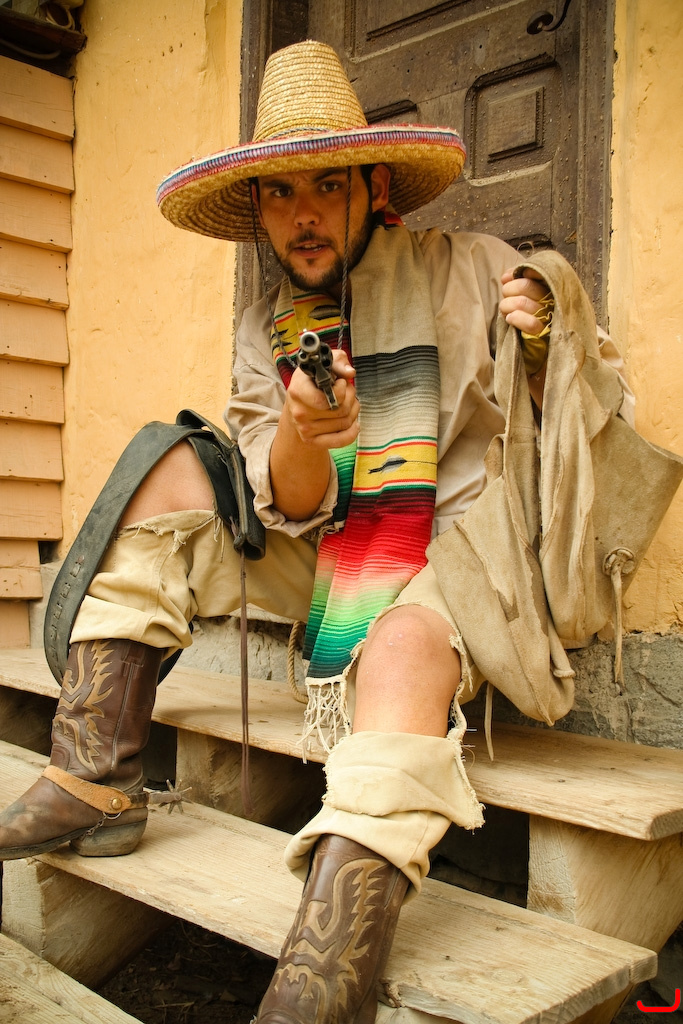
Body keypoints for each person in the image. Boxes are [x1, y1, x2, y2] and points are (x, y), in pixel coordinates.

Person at [0, 40, 634, 1024]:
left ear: (372, 186)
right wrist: (307, 429)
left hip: (459, 553)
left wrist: (549, 334)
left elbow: (593, 415)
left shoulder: (472, 268)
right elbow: (286, 500)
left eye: (325, 186)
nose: (302, 214)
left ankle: (322, 978)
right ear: (257, 210)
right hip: (329, 558)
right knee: (168, 458)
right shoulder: (268, 329)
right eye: (280, 193)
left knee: (405, 642)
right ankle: (94, 778)